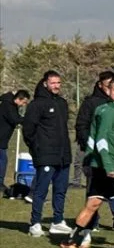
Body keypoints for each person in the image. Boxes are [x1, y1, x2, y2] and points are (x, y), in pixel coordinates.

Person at [60, 76, 114, 248]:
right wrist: (109, 166)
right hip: (109, 165)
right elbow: (101, 140)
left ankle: (70, 240)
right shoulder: (109, 112)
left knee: (93, 203)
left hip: (102, 165)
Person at [22, 70, 73, 237]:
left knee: (61, 190)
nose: (56, 86)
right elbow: (28, 130)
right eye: (53, 83)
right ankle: (35, 223)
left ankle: (57, 221)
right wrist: (37, 148)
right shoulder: (36, 105)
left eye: (58, 82)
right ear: (45, 83)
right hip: (45, 155)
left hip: (63, 155)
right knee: (41, 190)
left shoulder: (62, 103)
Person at [74, 70, 114, 190]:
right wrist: (90, 144)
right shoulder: (91, 103)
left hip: (113, 150)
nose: (110, 90)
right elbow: (82, 125)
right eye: (107, 86)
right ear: (100, 85)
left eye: (112, 87)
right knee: (94, 187)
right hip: (94, 150)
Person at [0, 88, 31, 192]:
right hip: (1, 138)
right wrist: (28, 119)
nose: (23, 105)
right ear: (19, 98)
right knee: (3, 160)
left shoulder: (11, 105)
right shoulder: (7, 105)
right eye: (24, 102)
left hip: (3, 138)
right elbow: (15, 119)